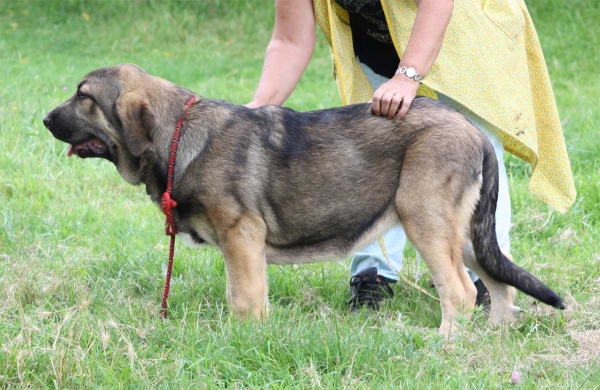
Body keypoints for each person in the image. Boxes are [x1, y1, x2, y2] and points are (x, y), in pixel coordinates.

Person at [247, 0, 575, 311]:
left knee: (468, 142)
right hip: (383, 42)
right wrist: (253, 112)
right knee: (376, 144)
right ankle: (374, 276)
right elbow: (290, 41)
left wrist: (408, 76)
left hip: (465, 33)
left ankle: (487, 279)